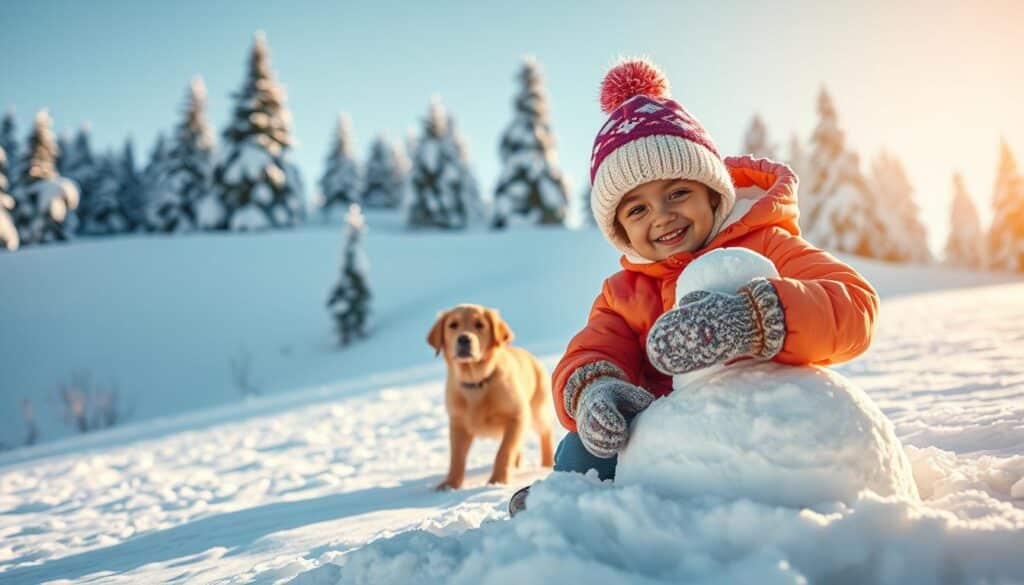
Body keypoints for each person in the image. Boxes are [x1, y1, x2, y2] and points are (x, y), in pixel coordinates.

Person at [509, 58, 878, 516]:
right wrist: (596, 390)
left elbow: (854, 305)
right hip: (672, 438)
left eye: (677, 193)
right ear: (620, 229)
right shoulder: (624, 292)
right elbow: (594, 349)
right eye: (637, 210)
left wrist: (752, 320)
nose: (662, 216)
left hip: (765, 415)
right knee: (584, 446)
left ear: (712, 192)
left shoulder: (767, 242)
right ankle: (568, 506)